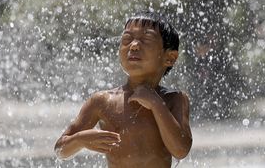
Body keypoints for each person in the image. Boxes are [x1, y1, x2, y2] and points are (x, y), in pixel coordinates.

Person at [54, 11, 192, 167]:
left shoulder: (175, 99)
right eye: (127, 39)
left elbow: (181, 150)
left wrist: (156, 103)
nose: (133, 46)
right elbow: (60, 150)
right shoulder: (103, 101)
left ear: (170, 58)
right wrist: (79, 140)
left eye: (146, 40)